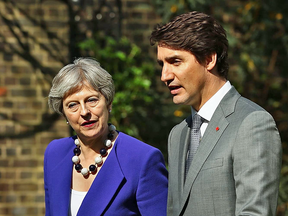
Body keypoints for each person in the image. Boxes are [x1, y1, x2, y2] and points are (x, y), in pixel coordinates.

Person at [150, 11, 282, 216]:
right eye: (162, 64)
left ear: (209, 59)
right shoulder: (178, 134)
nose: (164, 76)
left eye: (175, 62)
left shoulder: (252, 123)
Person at [44, 57, 168, 216]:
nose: (84, 112)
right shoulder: (54, 153)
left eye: (92, 100)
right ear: (64, 114)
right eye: (72, 105)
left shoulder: (142, 159)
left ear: (108, 103)